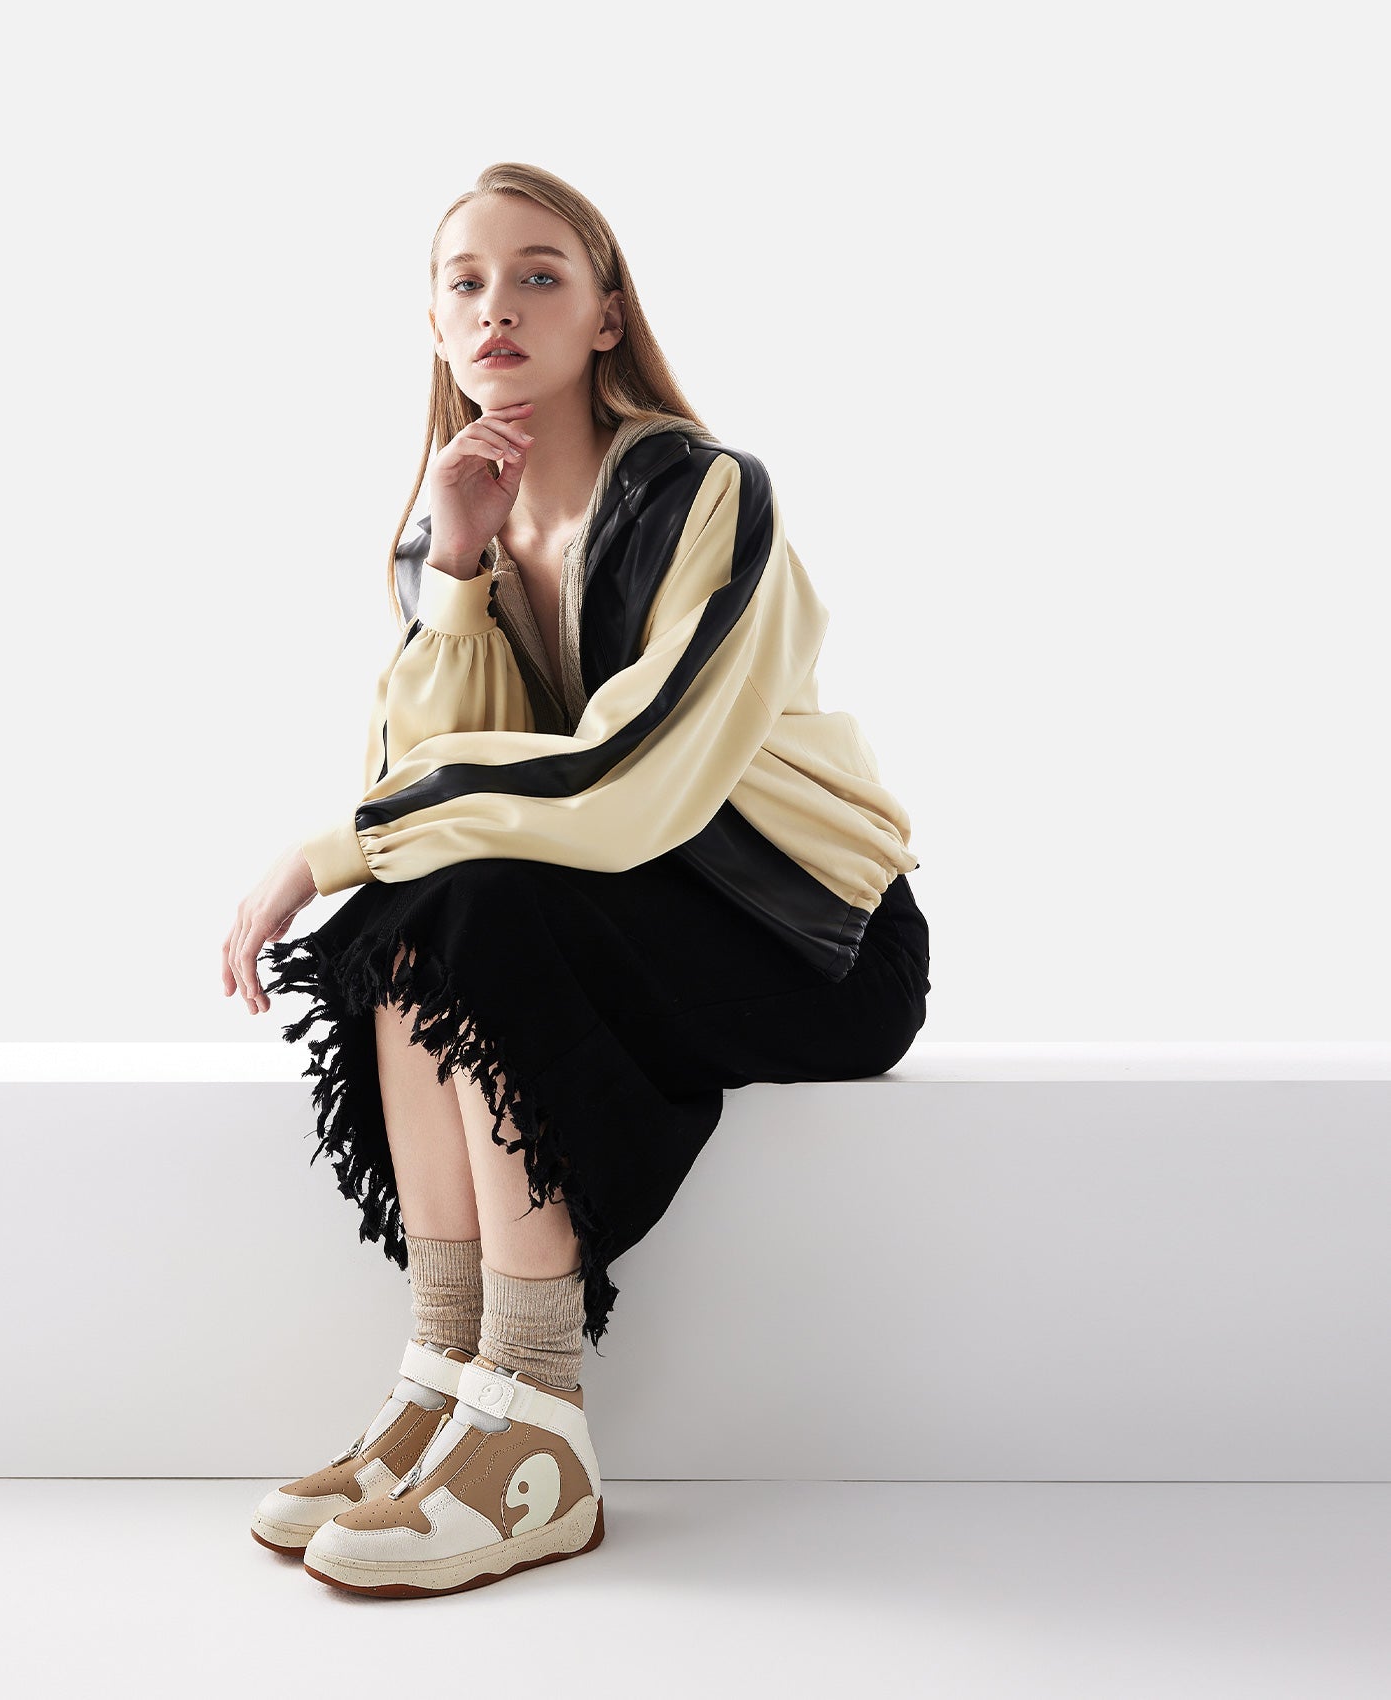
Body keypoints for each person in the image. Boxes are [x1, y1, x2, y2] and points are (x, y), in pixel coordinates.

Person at [224, 162, 931, 1597]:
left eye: (541, 275)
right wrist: (459, 567)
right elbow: (439, 772)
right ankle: (448, 1378)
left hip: (810, 940)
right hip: (638, 919)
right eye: (467, 281)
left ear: (608, 316)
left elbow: (624, 784)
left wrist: (324, 848)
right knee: (416, 916)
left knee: (455, 898)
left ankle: (536, 1421)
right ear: (434, 322)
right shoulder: (455, 522)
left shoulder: (705, 492)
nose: (499, 305)